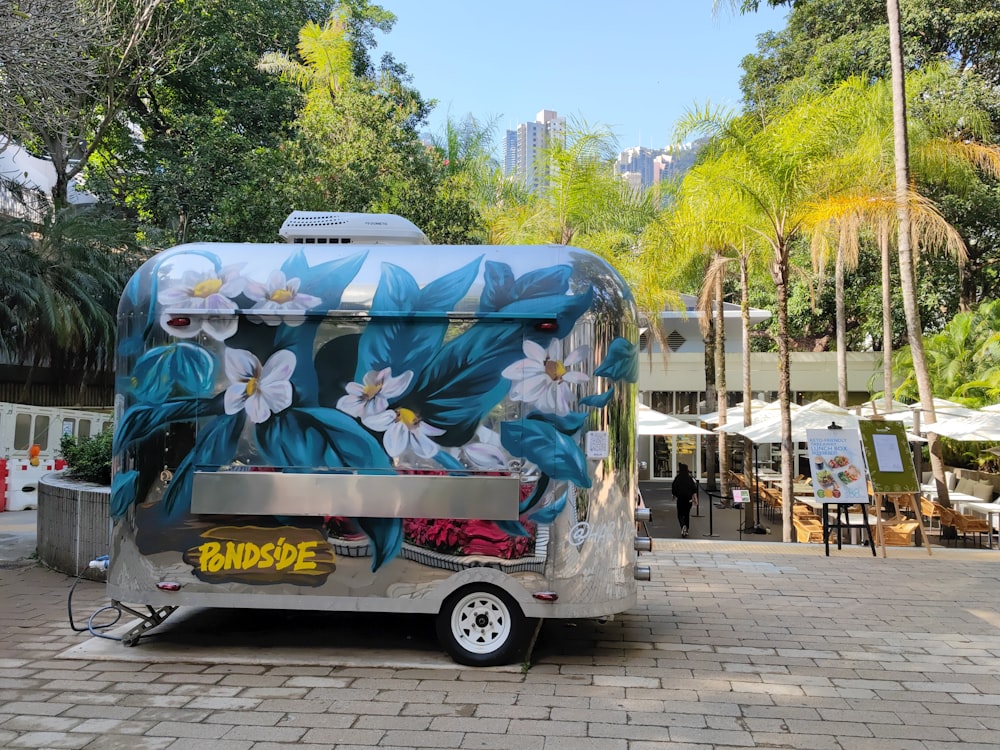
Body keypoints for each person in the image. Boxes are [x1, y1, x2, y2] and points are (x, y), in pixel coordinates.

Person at [671, 463, 698, 537]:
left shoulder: (678, 478)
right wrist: (695, 499)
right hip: (688, 499)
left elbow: (674, 487)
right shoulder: (690, 478)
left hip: (680, 499)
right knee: (686, 514)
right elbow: (694, 489)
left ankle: (682, 525)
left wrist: (674, 495)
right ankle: (686, 528)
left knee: (680, 514)